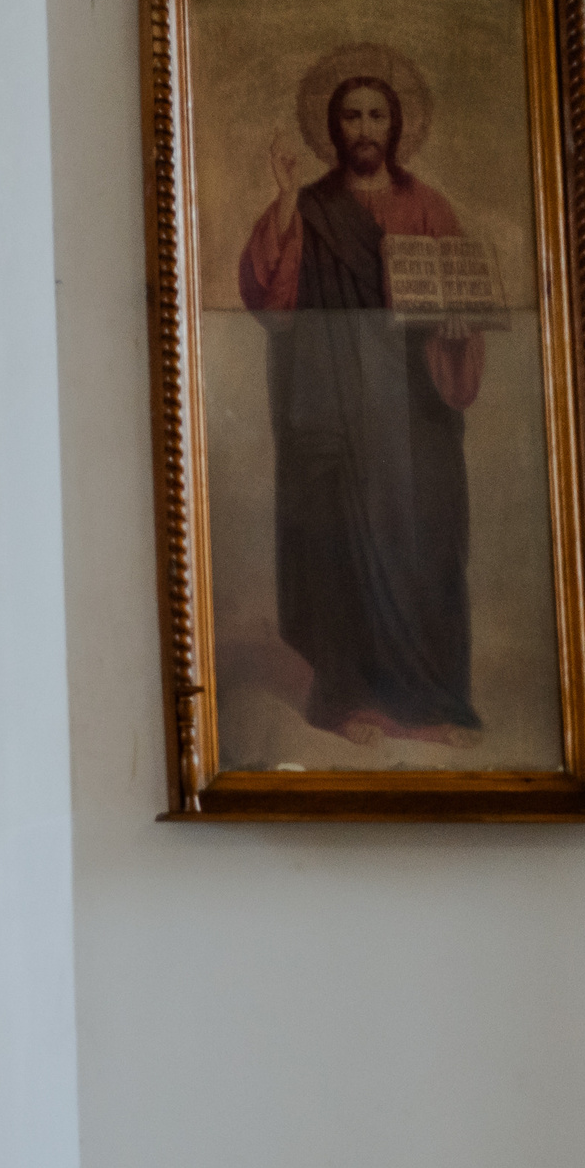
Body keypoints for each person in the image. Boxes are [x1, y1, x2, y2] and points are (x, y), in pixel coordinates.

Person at [237, 68, 482, 745]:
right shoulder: (310, 206)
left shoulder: (428, 206)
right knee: (342, 548)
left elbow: (458, 293)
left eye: (377, 116)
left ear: (396, 126)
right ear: (333, 128)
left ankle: (431, 701)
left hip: (414, 408)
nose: (366, 129)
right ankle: (351, 701)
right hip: (337, 410)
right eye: (352, 117)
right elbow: (274, 302)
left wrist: (456, 329)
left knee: (425, 541)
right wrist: (285, 200)